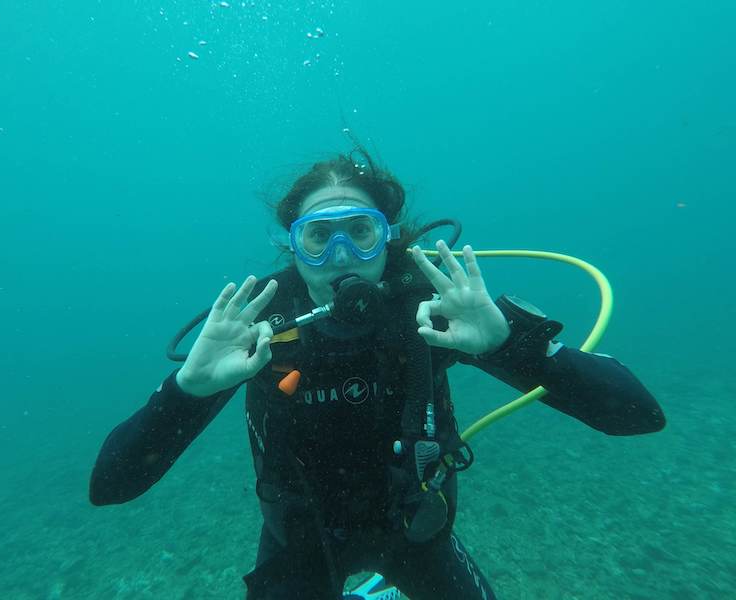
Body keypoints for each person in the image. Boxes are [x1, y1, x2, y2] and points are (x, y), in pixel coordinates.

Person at [89, 148, 666, 599]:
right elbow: (110, 486)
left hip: (417, 532)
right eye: (318, 236)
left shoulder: (438, 310)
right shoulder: (260, 329)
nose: (341, 254)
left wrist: (513, 344)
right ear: (293, 247)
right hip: (300, 545)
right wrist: (188, 389)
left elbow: (639, 417)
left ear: (388, 235)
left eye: (359, 231)